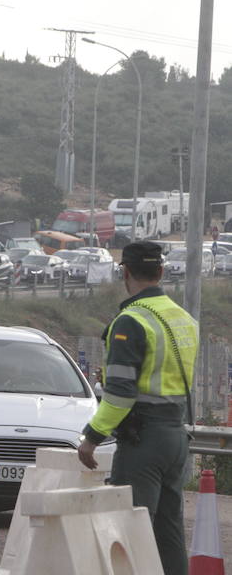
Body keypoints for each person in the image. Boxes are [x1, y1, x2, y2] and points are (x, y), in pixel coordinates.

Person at [77, 241, 198, 575]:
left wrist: (92, 437)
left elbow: (120, 393)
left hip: (143, 439)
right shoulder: (184, 319)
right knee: (168, 532)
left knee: (127, 530)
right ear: (160, 272)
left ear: (124, 272)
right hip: (176, 436)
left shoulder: (131, 322)